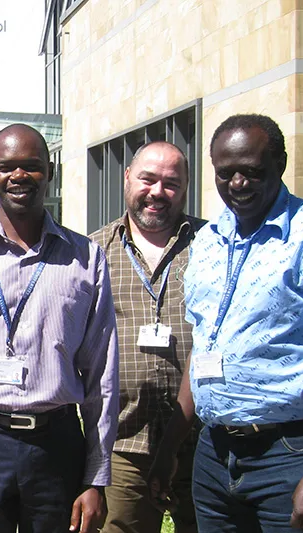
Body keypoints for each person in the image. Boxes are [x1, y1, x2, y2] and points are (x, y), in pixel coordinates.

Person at [150, 114, 303, 532]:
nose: (238, 184)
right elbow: (202, 348)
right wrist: (171, 447)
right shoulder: (208, 240)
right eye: (225, 173)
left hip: (291, 453)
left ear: (279, 164)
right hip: (213, 455)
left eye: (251, 171)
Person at [0, 124, 119, 533]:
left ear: (49, 171)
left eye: (30, 166)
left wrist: (95, 477)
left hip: (57, 445)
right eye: (6, 167)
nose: (18, 176)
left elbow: (102, 376)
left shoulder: (86, 258)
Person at [87, 142, 203, 533]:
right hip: (123, 441)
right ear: (127, 179)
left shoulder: (213, 246)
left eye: (171, 183)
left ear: (186, 187)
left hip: (203, 440)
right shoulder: (92, 252)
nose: (157, 192)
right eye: (147, 179)